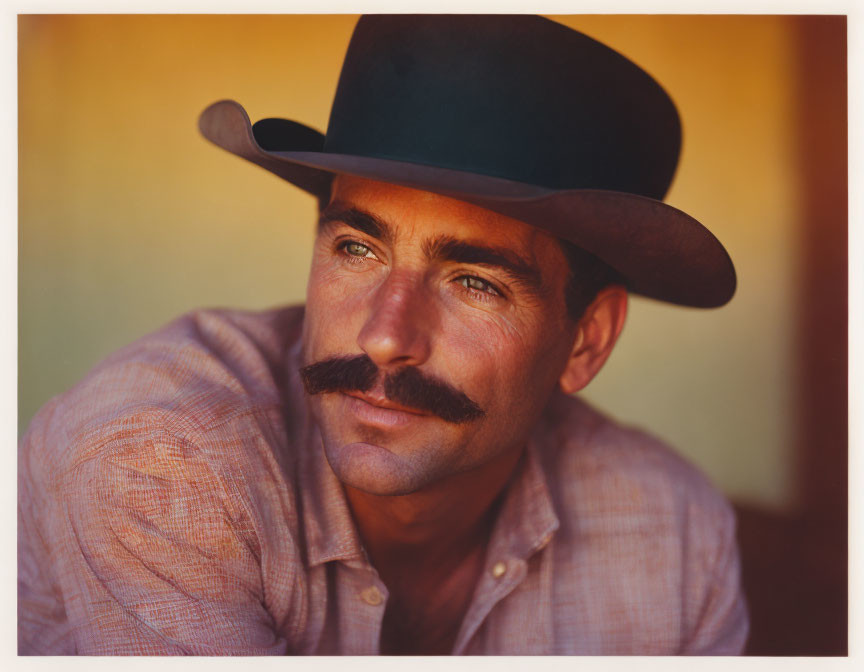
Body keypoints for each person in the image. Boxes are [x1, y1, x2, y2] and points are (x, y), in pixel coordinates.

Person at [17, 15, 748, 655]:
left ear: (587, 339)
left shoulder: (672, 536)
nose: (383, 337)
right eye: (357, 250)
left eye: (475, 282)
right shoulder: (160, 462)